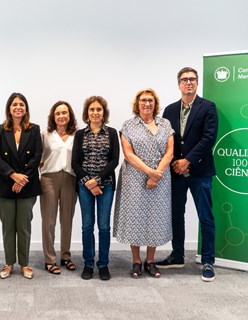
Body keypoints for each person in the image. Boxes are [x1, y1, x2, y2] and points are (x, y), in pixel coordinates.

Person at [155, 67, 218, 282]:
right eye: (184, 80)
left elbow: (209, 138)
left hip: (200, 171)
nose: (188, 83)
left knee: (205, 216)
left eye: (192, 79)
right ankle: (178, 255)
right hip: (175, 173)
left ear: (197, 83)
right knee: (176, 215)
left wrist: (188, 160)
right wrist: (175, 163)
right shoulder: (169, 110)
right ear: (179, 84)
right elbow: (165, 141)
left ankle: (208, 260)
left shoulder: (208, 107)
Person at [113, 88, 174, 279]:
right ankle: (136, 261)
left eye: (150, 100)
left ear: (155, 103)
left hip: (161, 178)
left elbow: (170, 152)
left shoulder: (165, 124)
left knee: (156, 217)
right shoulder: (128, 125)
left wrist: (157, 175)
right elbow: (128, 154)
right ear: (137, 104)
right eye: (143, 100)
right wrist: (149, 172)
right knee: (135, 217)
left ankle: (150, 260)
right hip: (134, 178)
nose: (147, 103)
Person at [0, 92, 42, 280]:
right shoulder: (0, 130)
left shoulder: (34, 129)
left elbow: (37, 156)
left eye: (21, 104)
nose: (18, 107)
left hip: (27, 186)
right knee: (8, 227)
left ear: (26, 108)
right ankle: (8, 263)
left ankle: (25, 264)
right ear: (9, 109)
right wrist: (13, 176)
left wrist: (22, 179)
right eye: (14, 104)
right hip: (5, 184)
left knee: (24, 226)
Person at [72, 96, 120, 281]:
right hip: (84, 186)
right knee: (86, 226)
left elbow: (115, 160)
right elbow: (75, 162)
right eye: (92, 110)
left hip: (106, 185)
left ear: (104, 113)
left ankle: (103, 264)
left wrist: (98, 179)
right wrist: (88, 181)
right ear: (87, 113)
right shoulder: (80, 134)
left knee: (104, 226)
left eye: (99, 109)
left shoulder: (112, 133)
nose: (95, 113)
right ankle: (89, 264)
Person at [40, 101, 78, 275]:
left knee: (67, 219)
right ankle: (49, 259)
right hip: (49, 178)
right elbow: (38, 157)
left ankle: (65, 256)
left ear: (69, 115)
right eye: (58, 113)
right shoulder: (45, 134)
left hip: (70, 178)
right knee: (49, 221)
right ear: (53, 117)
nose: (61, 116)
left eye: (64, 113)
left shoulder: (77, 135)